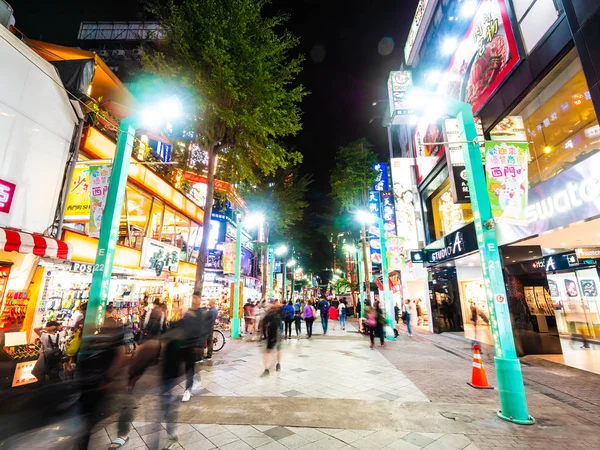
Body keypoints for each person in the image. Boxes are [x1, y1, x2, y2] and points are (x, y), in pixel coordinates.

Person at [262, 300, 283, 376]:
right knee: (278, 349)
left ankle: (266, 368)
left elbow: (264, 327)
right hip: (278, 334)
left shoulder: (268, 315)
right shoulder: (278, 315)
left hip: (271, 335)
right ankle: (278, 364)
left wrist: (264, 335)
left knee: (268, 352)